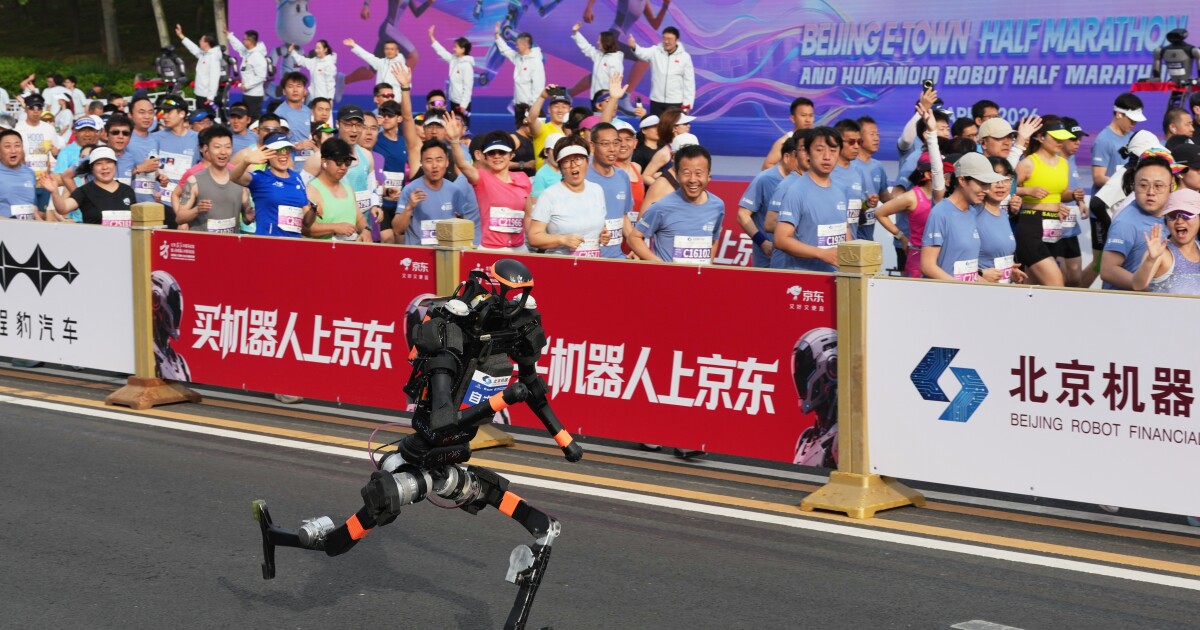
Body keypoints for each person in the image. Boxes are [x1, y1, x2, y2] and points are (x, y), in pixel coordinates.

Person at [875, 116, 948, 278]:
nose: (946, 175)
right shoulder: (912, 197)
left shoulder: (944, 195)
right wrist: (901, 237)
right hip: (917, 264)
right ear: (929, 174)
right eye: (942, 171)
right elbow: (880, 213)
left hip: (941, 260)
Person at [445, 117, 532, 252]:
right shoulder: (481, 178)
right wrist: (455, 141)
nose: (497, 156)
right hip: (491, 250)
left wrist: (532, 237)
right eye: (491, 153)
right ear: (485, 157)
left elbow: (527, 214)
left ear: (512, 155)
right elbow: (462, 164)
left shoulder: (523, 178)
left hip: (520, 248)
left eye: (502, 152)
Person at [628, 144, 724, 264]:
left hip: (699, 281)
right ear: (677, 176)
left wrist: (707, 267)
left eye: (699, 173)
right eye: (686, 173)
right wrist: (662, 266)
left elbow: (714, 240)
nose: (693, 180)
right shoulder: (661, 206)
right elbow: (634, 238)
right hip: (669, 281)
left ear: (708, 175)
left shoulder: (717, 206)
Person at [771, 127, 851, 271]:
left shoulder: (841, 189)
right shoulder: (796, 191)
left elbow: (844, 228)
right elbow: (781, 239)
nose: (827, 156)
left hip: (838, 278)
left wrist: (851, 262)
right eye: (819, 150)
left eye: (833, 150)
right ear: (808, 153)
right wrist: (821, 254)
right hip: (806, 281)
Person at [920, 153, 1007, 281]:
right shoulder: (940, 213)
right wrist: (959, 288)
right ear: (962, 180)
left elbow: (963, 265)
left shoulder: (972, 212)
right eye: (982, 183)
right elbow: (927, 266)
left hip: (967, 295)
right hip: (945, 296)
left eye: (988, 184)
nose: (987, 190)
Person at [1101, 150, 1179, 290]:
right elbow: (1107, 270)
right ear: (1133, 186)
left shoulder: (1175, 214)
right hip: (1131, 306)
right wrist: (1146, 288)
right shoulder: (1125, 223)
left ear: (1171, 186)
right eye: (1143, 185)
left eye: (1159, 186)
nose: (1151, 192)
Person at [528, 135, 611, 256]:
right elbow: (533, 237)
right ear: (560, 167)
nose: (573, 165)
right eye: (566, 161)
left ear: (587, 162)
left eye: (578, 159)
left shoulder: (597, 190)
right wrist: (562, 240)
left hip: (593, 264)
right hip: (562, 266)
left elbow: (597, 227)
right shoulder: (549, 195)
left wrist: (603, 236)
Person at [1014, 116, 1073, 286]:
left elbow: (1061, 194)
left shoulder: (1064, 163)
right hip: (1032, 224)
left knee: (1033, 284)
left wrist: (1075, 196)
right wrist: (1027, 190)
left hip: (1054, 226)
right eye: (1056, 137)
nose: (1060, 142)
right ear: (1040, 137)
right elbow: (1003, 189)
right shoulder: (1028, 163)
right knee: (1056, 284)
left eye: (1063, 137)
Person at [394, 139, 477, 245]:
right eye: (428, 160)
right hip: (418, 257)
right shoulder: (410, 190)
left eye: (439, 160)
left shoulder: (455, 191)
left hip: (446, 255)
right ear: (421, 163)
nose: (434, 165)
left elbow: (464, 225)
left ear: (447, 162)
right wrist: (409, 207)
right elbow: (397, 230)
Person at [232, 132, 311, 237]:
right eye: (277, 151)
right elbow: (233, 177)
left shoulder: (297, 178)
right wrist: (246, 161)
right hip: (267, 245)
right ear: (266, 155)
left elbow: (307, 221)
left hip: (294, 245)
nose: (283, 154)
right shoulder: (260, 178)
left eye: (286, 149)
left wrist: (313, 211)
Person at [174, 125, 251, 233]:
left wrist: (249, 216)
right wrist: (197, 210)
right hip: (203, 245)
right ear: (206, 149)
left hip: (231, 246)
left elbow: (247, 219)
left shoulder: (239, 180)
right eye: (217, 147)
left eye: (228, 147)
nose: (223, 152)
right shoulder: (194, 181)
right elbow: (180, 218)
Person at [39, 147, 136, 225]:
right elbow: (63, 208)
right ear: (92, 168)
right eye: (99, 163)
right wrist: (55, 192)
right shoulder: (84, 191)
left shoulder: (128, 191)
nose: (105, 167)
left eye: (109, 162)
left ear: (115, 165)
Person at [738, 136, 794, 267]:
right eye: (799, 157)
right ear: (787, 157)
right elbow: (742, 215)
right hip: (767, 263)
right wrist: (762, 242)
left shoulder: (803, 182)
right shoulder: (765, 179)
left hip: (794, 262)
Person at [302, 138, 372, 241]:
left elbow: (359, 217)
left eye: (347, 162)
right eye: (339, 162)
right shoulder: (312, 191)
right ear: (324, 162)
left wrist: (366, 230)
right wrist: (335, 227)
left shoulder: (349, 190)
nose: (343, 167)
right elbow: (305, 228)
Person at [1132, 189, 1200, 294]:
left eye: (1187, 214)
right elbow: (1137, 285)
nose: (1179, 221)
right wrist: (1150, 260)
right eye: (1172, 215)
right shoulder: (1161, 253)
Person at [977, 157, 1027, 284]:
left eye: (1006, 179)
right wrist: (979, 274)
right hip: (979, 290)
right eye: (995, 179)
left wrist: (1010, 271)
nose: (1000, 185)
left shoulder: (1004, 215)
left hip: (1003, 290)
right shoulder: (972, 215)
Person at [628, 26, 695, 115]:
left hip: (675, 102)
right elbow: (642, 52)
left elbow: (689, 82)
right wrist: (633, 46)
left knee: (672, 128)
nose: (666, 42)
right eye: (664, 38)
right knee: (656, 128)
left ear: (677, 40)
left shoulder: (685, 57)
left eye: (670, 39)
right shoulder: (655, 51)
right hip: (656, 101)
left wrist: (687, 104)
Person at [1056, 117, 1090, 287]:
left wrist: (1081, 203)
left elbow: (1074, 189)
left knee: (1076, 279)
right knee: (1058, 281)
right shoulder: (1052, 161)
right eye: (1073, 139)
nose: (1077, 143)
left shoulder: (1072, 159)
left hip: (1071, 228)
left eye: (1079, 139)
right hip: (1054, 227)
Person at [14, 94, 61, 212]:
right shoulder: (18, 128)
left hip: (45, 181)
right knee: (30, 215)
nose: (36, 111)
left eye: (39, 108)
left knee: (45, 215)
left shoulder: (49, 129)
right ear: (26, 109)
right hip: (26, 180)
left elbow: (56, 153)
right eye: (32, 108)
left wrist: (56, 153)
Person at [1092, 92, 1145, 191]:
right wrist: (1125, 184)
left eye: (1136, 120)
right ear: (1119, 114)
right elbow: (1098, 178)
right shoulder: (1103, 140)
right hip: (1106, 202)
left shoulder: (1134, 138)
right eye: (1131, 119)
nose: (1134, 123)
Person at [428, 26, 476, 121]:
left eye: (456, 47)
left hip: (461, 104)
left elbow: (468, 87)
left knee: (462, 127)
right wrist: (431, 37)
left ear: (463, 49)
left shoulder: (466, 65)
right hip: (453, 100)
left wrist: (463, 105)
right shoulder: (454, 59)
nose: (453, 49)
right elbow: (442, 52)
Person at [493, 25, 545, 109]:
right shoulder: (519, 58)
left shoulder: (536, 62)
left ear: (526, 45)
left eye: (518, 44)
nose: (516, 46)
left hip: (530, 108)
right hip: (518, 106)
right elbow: (506, 51)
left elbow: (538, 88)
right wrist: (497, 35)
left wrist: (532, 109)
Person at [571, 24, 624, 104]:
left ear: (606, 42)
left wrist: (609, 98)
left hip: (606, 99)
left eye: (599, 40)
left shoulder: (615, 61)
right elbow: (587, 48)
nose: (597, 42)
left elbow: (616, 82)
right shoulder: (599, 55)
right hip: (595, 97)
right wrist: (576, 33)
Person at [175, 24, 222, 113]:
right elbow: (194, 49)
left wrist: (211, 97)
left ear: (207, 43)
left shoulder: (213, 57)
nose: (199, 41)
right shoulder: (204, 54)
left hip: (207, 97)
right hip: (199, 93)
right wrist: (181, 36)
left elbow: (214, 78)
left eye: (201, 40)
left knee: (207, 120)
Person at [762, 97, 816, 170]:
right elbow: (767, 166)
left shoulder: (818, 140)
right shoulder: (784, 141)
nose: (808, 120)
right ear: (793, 118)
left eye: (811, 115)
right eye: (803, 115)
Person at [527, 85, 573, 169]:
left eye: (564, 107)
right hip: (546, 180)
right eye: (556, 106)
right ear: (549, 109)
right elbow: (531, 120)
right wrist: (542, 97)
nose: (560, 110)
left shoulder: (573, 133)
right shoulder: (543, 128)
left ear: (570, 110)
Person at [0, 128, 41, 220]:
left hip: (28, 229)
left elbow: (32, 206)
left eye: (17, 145)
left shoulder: (30, 173)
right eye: (7, 146)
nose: (13, 150)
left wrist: (42, 224)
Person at [228, 30, 269, 116]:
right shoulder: (248, 52)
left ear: (250, 41)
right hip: (247, 93)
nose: (243, 41)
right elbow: (238, 46)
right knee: (246, 117)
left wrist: (247, 86)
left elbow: (261, 76)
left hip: (254, 95)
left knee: (253, 118)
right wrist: (229, 36)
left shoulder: (257, 56)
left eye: (244, 39)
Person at [272, 71, 312, 144]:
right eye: (290, 86)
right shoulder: (278, 114)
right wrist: (296, 147)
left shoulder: (309, 111)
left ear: (304, 91)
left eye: (299, 86)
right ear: (284, 91)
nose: (295, 90)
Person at [530, 131, 565, 202]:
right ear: (546, 152)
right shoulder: (541, 175)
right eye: (555, 150)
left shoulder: (569, 170)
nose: (558, 154)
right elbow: (535, 203)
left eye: (561, 150)